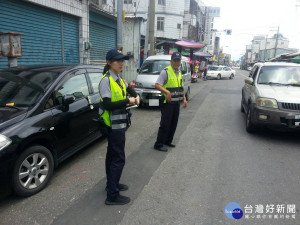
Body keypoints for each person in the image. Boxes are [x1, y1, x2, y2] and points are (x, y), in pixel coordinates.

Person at [99, 49, 140, 205]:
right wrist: (128, 101)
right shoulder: (106, 80)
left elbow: (129, 89)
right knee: (118, 158)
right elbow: (108, 104)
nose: (121, 63)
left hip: (119, 123)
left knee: (112, 156)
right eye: (118, 60)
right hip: (113, 126)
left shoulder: (119, 79)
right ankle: (112, 196)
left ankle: (112, 185)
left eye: (122, 60)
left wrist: (135, 95)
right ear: (109, 62)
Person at [153, 52, 188, 152]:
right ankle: (158, 144)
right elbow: (157, 85)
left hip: (176, 103)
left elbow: (181, 88)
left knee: (173, 123)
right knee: (165, 124)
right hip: (167, 103)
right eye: (175, 60)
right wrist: (167, 92)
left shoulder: (179, 72)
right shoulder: (165, 72)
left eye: (178, 60)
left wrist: (184, 99)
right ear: (171, 61)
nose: (177, 62)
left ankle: (168, 141)